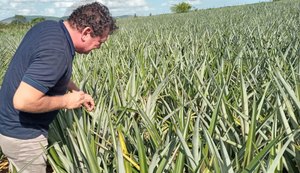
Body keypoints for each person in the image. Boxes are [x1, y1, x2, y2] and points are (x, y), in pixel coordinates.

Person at [0, 2, 117, 173]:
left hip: (9, 125)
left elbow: (43, 71)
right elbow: (23, 101)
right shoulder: (58, 52)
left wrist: (76, 91)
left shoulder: (50, 28)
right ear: (86, 33)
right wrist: (66, 101)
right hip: (22, 138)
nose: (97, 48)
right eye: (99, 43)